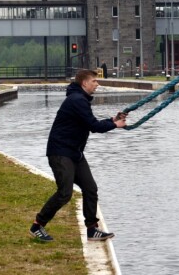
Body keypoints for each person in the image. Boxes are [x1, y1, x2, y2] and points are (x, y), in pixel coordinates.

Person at [29, 69, 127, 242]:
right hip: (60, 153)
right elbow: (94, 126)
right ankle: (37, 226)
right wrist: (115, 125)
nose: (97, 84)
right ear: (84, 83)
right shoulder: (77, 100)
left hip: (75, 153)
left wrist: (112, 120)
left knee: (90, 188)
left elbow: (90, 122)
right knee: (65, 193)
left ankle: (92, 230)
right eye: (94, 81)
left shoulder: (80, 99)